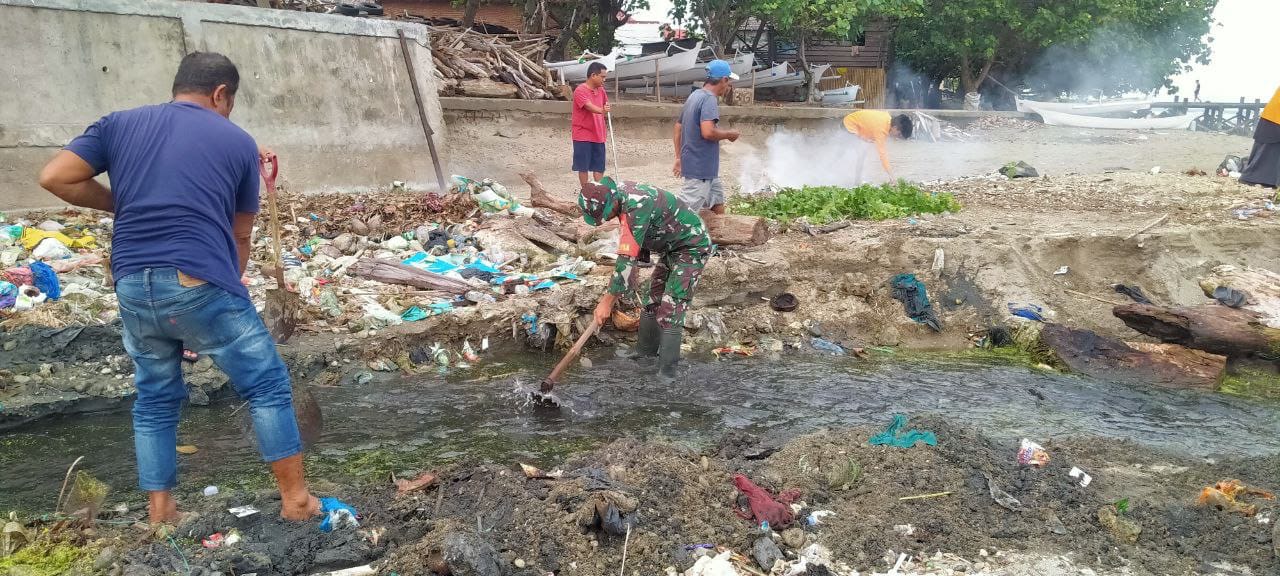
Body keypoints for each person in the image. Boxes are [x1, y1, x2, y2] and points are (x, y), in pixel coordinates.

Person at [37, 52, 320, 524]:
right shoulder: (238, 142)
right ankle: (297, 502)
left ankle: (162, 511)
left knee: (154, 398)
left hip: (130, 280)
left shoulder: (116, 124)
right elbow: (240, 236)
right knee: (267, 385)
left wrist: (123, 205)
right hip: (197, 276)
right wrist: (222, 289)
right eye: (229, 102)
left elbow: (54, 177)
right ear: (221, 94)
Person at [580, 177, 712, 377]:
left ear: (612, 203)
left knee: (671, 308)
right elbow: (630, 255)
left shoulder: (636, 205)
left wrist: (606, 303)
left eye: (603, 216)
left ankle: (667, 374)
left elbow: (626, 260)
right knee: (652, 300)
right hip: (671, 247)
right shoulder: (618, 195)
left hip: (691, 246)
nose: (604, 220)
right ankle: (645, 356)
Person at [673, 59, 740, 214]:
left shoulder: (695, 95)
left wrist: (678, 157)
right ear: (723, 80)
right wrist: (729, 134)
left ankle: (719, 237)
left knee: (717, 205)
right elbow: (708, 132)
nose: (728, 86)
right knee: (682, 215)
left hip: (707, 170)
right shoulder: (709, 99)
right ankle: (659, 235)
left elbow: (678, 127)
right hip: (700, 169)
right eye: (728, 82)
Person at [842, 110, 913, 179]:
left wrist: (865, 139)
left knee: (858, 152)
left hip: (851, 123)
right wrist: (891, 176)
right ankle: (855, 182)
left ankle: (856, 180)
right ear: (895, 128)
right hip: (848, 126)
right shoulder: (881, 130)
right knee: (860, 153)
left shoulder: (887, 118)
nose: (897, 137)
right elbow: (882, 155)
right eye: (899, 134)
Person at [572, 62, 611, 186]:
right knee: (583, 165)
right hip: (583, 133)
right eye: (602, 77)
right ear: (593, 75)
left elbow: (605, 105)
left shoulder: (601, 91)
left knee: (599, 165)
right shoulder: (580, 90)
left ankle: (598, 189)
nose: (604, 80)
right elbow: (588, 106)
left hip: (599, 133)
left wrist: (605, 110)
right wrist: (602, 110)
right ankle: (585, 190)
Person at [1240, 86, 1280, 189]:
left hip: (1272, 118)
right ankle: (1255, 178)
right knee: (1268, 151)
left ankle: (1258, 177)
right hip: (1275, 119)